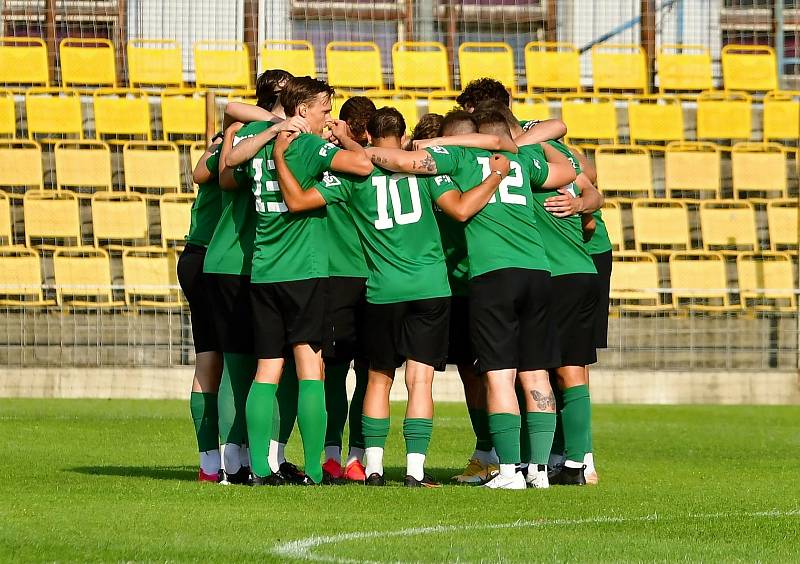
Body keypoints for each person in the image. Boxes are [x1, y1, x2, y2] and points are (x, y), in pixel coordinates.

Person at [272, 107, 510, 487]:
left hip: (382, 291)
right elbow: (461, 210)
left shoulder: (355, 176)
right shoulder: (427, 172)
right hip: (431, 287)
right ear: (403, 137)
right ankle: (415, 470)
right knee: (420, 382)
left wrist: (282, 159)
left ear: (369, 134)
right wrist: (496, 175)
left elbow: (299, 202)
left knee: (378, 378)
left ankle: (375, 467)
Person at [366, 109, 577, 489]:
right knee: (536, 373)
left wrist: (366, 149)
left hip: (492, 276)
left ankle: (509, 470)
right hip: (537, 272)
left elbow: (400, 160)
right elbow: (568, 171)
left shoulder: (458, 158)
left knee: (498, 375)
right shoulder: (520, 158)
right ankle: (540, 472)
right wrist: (528, 143)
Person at [222, 76, 372, 486]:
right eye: (324, 109)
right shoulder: (306, 144)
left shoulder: (257, 136)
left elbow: (229, 162)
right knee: (310, 369)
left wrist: (271, 131)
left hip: (264, 269)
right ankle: (312, 469)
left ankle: (259, 468)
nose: (328, 117)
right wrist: (336, 143)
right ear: (302, 109)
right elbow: (362, 165)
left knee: (267, 370)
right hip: (303, 273)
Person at [319, 96, 377, 484]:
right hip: (367, 279)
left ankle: (339, 455)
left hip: (345, 280)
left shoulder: (333, 164)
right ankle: (349, 455)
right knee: (357, 375)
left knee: (342, 374)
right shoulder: (370, 167)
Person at [180, 135, 223, 482]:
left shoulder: (228, 144)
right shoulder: (252, 146)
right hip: (217, 260)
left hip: (195, 255)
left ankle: (210, 464)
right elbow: (199, 172)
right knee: (243, 362)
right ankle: (243, 459)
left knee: (208, 358)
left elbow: (198, 172)